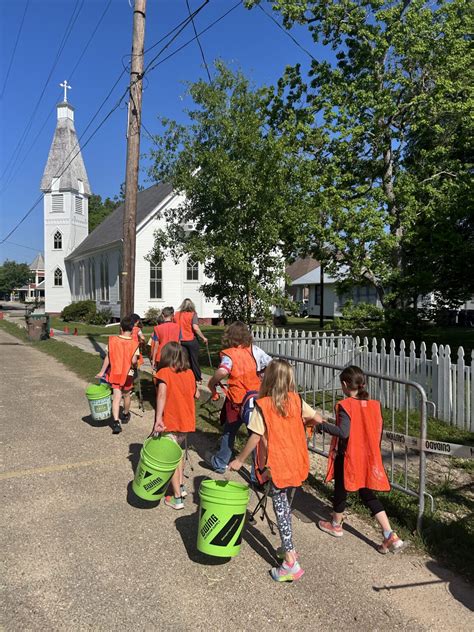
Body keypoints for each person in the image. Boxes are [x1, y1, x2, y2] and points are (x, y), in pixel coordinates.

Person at [229, 359, 319, 582]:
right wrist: (302, 423)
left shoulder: (264, 405)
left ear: (268, 378)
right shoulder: (297, 401)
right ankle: (288, 548)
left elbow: (255, 436)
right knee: (285, 506)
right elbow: (317, 418)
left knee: (280, 509)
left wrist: (240, 460)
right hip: (296, 462)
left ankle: (290, 562)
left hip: (277, 465)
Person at [315, 365, 405, 554]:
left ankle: (336, 524)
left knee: (341, 488)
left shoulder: (346, 406)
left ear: (346, 384)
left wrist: (322, 425)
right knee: (367, 493)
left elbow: (343, 432)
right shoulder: (373, 405)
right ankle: (389, 533)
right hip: (367, 456)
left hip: (348, 456)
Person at [206, 321, 272, 474]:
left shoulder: (230, 354)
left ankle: (220, 462)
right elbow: (272, 365)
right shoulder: (255, 351)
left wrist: (212, 383)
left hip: (236, 401)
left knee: (230, 431)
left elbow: (223, 371)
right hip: (255, 399)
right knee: (255, 435)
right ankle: (258, 474)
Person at [151, 341, 200, 509]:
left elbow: (162, 395)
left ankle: (177, 498)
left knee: (170, 459)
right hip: (186, 422)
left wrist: (158, 419)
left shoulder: (164, 372)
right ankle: (180, 486)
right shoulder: (190, 374)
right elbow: (197, 394)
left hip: (170, 421)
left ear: (165, 356)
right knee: (177, 454)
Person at [96, 315, 139, 434]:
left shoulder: (112, 340)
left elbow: (108, 358)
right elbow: (134, 361)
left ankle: (116, 422)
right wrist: (135, 366)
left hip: (115, 372)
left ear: (121, 328)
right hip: (127, 374)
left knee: (116, 397)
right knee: (127, 395)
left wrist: (102, 372)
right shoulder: (134, 343)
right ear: (132, 329)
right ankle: (125, 414)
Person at [174, 298, 208, 381]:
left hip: (180, 340)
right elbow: (195, 328)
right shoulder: (193, 314)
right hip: (191, 339)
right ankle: (197, 378)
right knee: (194, 360)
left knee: (184, 360)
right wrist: (203, 337)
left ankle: (185, 377)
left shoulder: (176, 314)